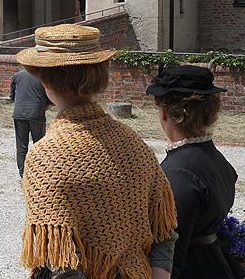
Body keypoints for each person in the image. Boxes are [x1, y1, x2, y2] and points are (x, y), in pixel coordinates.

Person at [16, 24, 178, 279]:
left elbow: (63, 261)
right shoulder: (133, 142)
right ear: (99, 76)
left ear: (44, 82)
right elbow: (164, 230)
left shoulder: (44, 157)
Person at [146, 65, 245, 279]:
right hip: (213, 262)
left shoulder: (179, 173)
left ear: (164, 112)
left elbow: (171, 258)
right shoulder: (216, 158)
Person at [9, 68, 53, 177]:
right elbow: (51, 100)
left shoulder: (18, 75)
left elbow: (12, 96)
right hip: (37, 114)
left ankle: (23, 175)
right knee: (39, 145)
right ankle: (39, 172)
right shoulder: (44, 76)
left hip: (19, 113)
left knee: (21, 146)